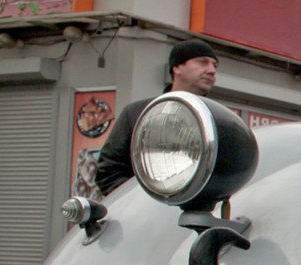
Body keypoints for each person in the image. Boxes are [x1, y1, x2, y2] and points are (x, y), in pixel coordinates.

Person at [94, 39, 219, 195]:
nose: (212, 70)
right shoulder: (138, 114)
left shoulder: (218, 122)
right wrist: (144, 202)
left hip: (201, 217)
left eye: (214, 65)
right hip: (145, 216)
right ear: (177, 67)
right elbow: (109, 171)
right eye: (203, 62)